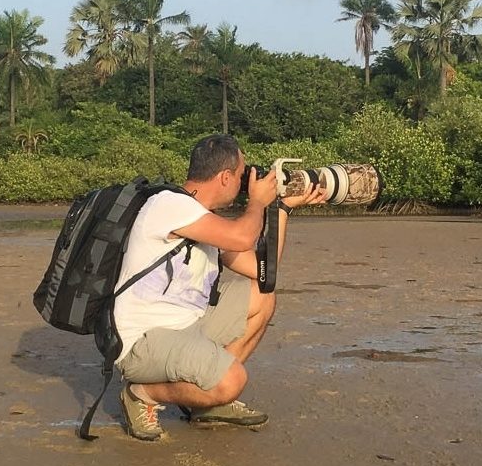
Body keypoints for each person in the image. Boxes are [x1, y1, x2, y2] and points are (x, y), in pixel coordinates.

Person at [112, 134, 326, 440]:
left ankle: (209, 402)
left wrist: (282, 209)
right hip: (142, 342)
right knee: (231, 382)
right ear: (225, 177)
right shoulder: (169, 205)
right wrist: (256, 203)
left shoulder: (202, 219)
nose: (244, 183)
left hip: (187, 326)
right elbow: (241, 237)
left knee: (262, 296)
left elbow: (262, 272)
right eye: (241, 176)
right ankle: (141, 394)